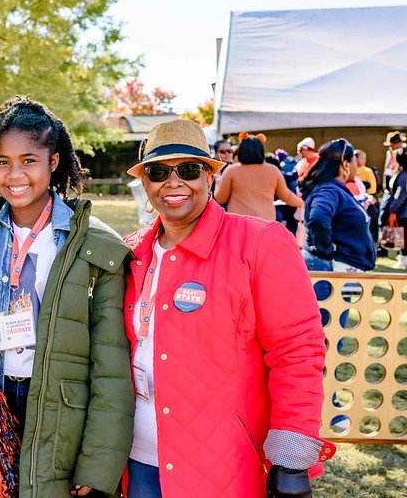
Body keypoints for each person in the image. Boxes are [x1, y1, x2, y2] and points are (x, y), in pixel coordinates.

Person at [122, 119, 334, 497]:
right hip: (139, 459)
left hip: (223, 465)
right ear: (145, 182)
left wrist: (292, 455)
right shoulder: (131, 252)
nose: (173, 183)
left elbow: (297, 351)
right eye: (157, 172)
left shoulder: (260, 243)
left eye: (187, 170)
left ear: (209, 176)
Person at [0, 97, 134, 496]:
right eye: (2, 162)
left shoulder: (94, 244)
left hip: (61, 410)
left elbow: (111, 364)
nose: (14, 174)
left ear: (53, 162)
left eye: (29, 160)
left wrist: (98, 466)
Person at [301, 139, 376, 273]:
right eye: (354, 161)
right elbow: (318, 217)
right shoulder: (329, 190)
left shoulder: (334, 189)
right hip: (333, 271)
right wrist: (326, 248)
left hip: (339, 271)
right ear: (345, 164)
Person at [214, 134, 303, 221]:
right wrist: (301, 202)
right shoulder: (273, 170)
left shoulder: (232, 171)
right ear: (261, 151)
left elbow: (220, 199)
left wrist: (217, 184)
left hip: (239, 224)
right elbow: (286, 196)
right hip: (265, 224)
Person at [388, 150, 407, 268]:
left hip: (403, 211)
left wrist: (393, 208)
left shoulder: (403, 176)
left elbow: (402, 193)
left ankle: (404, 259)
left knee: (402, 237)